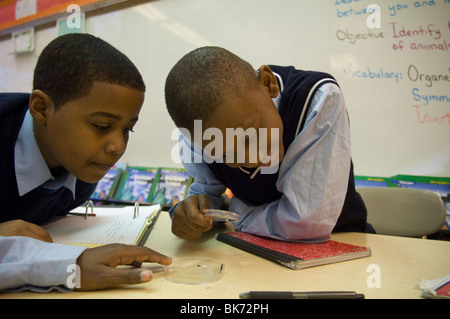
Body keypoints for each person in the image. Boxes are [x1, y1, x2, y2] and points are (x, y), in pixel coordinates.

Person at [0, 33, 171, 292]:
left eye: (128, 129)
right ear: (42, 108)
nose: (118, 147)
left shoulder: (81, 174)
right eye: (101, 125)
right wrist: (67, 266)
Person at [165, 46, 373, 242]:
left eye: (250, 136)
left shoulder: (318, 99)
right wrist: (191, 215)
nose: (254, 158)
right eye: (227, 155)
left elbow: (306, 223)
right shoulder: (199, 133)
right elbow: (207, 195)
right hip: (257, 251)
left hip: (342, 243)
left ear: (267, 84)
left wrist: (236, 211)